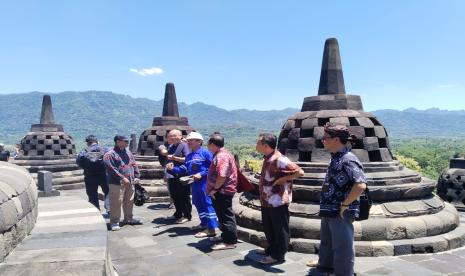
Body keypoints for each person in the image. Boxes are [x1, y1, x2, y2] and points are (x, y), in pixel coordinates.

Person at [309, 123, 367, 276]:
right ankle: (326, 264)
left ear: (336, 139)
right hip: (329, 208)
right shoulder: (336, 157)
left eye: (325, 138)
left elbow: (360, 185)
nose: (323, 140)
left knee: (343, 246)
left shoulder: (348, 159)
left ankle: (344, 273)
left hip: (341, 210)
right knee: (327, 241)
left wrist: (346, 204)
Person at [254, 133, 304, 264]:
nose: (256, 145)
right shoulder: (268, 157)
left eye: (258, 143)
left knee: (280, 229)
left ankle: (278, 255)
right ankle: (271, 250)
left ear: (265, 145)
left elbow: (299, 172)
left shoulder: (279, 159)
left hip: (277, 201)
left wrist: (283, 179)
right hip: (267, 200)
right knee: (269, 228)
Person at [166, 132, 218, 238]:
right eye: (188, 140)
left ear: (199, 142)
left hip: (205, 184)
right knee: (198, 203)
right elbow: (184, 169)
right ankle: (204, 224)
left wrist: (202, 174)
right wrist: (172, 169)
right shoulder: (189, 156)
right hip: (194, 184)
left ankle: (212, 228)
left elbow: (214, 168)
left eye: (191, 140)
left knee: (207, 204)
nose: (188, 142)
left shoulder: (206, 153)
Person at [206, 132, 238, 250]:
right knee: (222, 214)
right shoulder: (221, 154)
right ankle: (225, 236)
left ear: (212, 144)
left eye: (208, 144)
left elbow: (222, 175)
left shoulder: (221, 156)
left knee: (225, 216)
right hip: (221, 190)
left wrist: (215, 189)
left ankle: (229, 241)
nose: (207, 146)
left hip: (222, 191)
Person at [104, 135, 142, 231]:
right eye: (125, 141)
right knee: (116, 202)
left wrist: (137, 176)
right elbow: (111, 169)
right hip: (117, 183)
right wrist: (122, 178)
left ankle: (128, 218)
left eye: (127, 141)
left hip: (130, 181)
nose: (127, 142)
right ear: (117, 141)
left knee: (129, 201)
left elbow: (133, 164)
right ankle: (114, 221)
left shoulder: (128, 152)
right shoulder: (110, 154)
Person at [160, 129, 191, 224]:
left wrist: (174, 158)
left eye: (175, 136)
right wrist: (166, 172)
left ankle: (186, 215)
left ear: (181, 136)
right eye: (170, 136)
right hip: (171, 175)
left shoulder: (184, 145)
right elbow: (167, 160)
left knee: (183, 196)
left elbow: (187, 159)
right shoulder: (171, 146)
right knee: (175, 195)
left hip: (182, 175)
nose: (172, 138)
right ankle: (178, 213)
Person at [76, 135, 110, 211]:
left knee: (92, 194)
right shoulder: (105, 149)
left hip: (90, 176)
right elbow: (110, 160)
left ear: (87, 143)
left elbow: (79, 163)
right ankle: (109, 208)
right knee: (108, 192)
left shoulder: (84, 151)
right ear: (97, 142)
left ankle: (96, 210)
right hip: (104, 175)